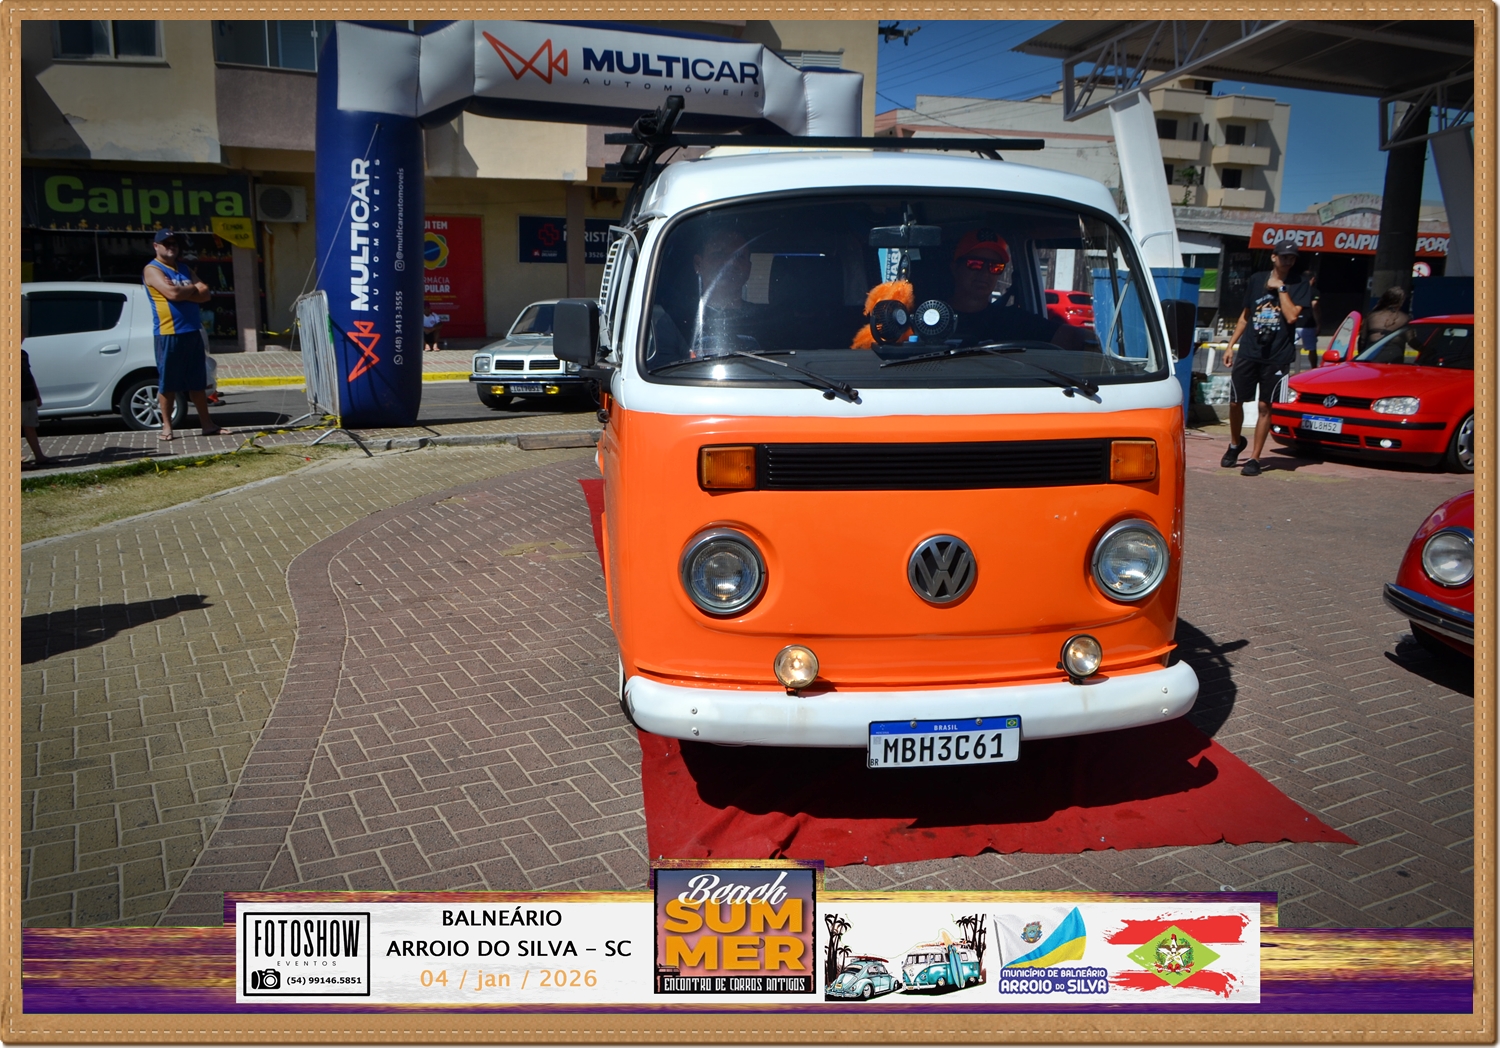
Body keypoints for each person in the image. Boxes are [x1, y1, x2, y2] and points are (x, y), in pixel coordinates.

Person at [1220, 239, 1312, 476]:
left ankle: (1255, 458)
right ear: (1273, 257)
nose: (1287, 261)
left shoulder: (1300, 283)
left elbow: (1292, 317)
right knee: (1235, 401)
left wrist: (1281, 288)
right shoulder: (1256, 280)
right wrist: (1230, 346)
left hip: (1277, 355)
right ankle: (1235, 444)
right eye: (1283, 256)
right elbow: (1245, 316)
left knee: (1264, 405)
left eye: (1292, 257)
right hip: (1250, 350)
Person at [944, 231, 1087, 350]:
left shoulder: (1013, 321)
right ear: (954, 268)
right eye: (975, 264)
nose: (985, 273)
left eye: (995, 267)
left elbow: (1073, 337)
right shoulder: (933, 316)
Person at [143, 229, 219, 441]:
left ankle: (207, 425)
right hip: (169, 333)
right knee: (168, 384)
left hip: (192, 331)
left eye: (174, 243)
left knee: (197, 383)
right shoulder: (152, 269)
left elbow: (205, 294)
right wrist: (190, 289)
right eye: (166, 243)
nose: (171, 247)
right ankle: (167, 427)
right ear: (156, 246)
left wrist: (184, 290)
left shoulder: (184, 268)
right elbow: (173, 293)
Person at [20, 349, 55, 468]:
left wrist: (37, 394)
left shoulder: (23, 354)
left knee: (30, 426)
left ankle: (39, 456)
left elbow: (29, 374)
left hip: (29, 395)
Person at [1297, 274, 1321, 368]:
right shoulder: (1313, 291)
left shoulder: (1296, 290)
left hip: (1295, 323)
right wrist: (1318, 323)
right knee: (1312, 349)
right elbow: (1315, 306)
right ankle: (1313, 368)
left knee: (1289, 347)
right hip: (1308, 323)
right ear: (1313, 279)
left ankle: (1284, 368)